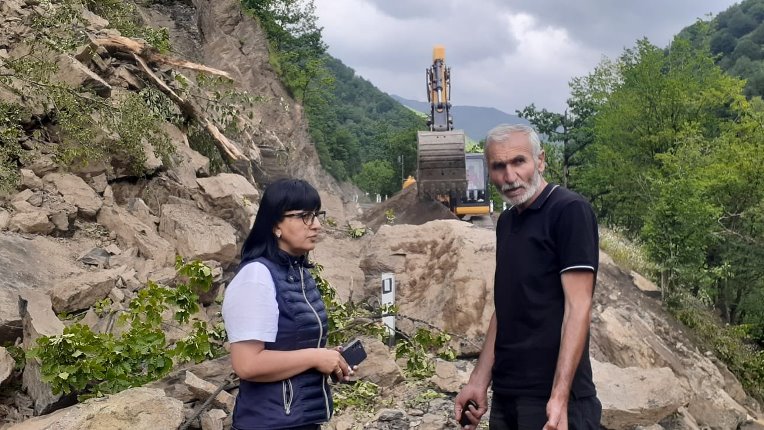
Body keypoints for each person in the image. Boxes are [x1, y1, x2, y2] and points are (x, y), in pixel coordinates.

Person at [454, 124, 601, 430]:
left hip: (554, 400)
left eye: (519, 162)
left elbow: (579, 307)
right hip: (508, 394)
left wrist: (559, 397)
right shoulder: (506, 222)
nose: (509, 177)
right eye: (499, 166)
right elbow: (506, 306)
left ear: (541, 160)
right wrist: (479, 380)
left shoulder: (569, 211)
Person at [222, 178, 353, 430]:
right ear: (275, 225)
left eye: (316, 215)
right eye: (304, 216)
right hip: (269, 423)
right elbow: (247, 364)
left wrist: (328, 357)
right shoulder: (256, 277)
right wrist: (314, 356)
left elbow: (295, 346)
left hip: (301, 418)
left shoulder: (299, 274)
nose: (316, 225)